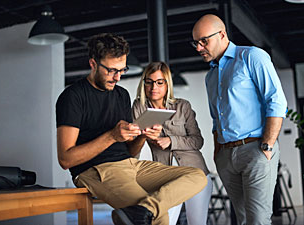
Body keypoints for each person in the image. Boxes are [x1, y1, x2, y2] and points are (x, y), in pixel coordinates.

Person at [55, 33, 207, 225]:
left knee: (197, 176)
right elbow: (66, 159)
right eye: (111, 70)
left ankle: (142, 210)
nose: (117, 77)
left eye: (122, 70)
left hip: (131, 165)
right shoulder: (72, 97)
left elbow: (129, 152)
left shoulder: (121, 95)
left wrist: (143, 136)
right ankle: (142, 212)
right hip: (95, 170)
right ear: (93, 64)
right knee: (159, 218)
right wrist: (111, 136)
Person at [191, 14, 287, 225]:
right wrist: (218, 153)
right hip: (226, 156)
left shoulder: (252, 56)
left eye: (203, 41)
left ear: (222, 34)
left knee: (258, 220)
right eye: (195, 43)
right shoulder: (211, 76)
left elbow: (276, 101)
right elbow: (216, 119)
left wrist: (268, 146)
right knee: (242, 220)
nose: (199, 48)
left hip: (256, 151)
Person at [132, 61, 213, 225]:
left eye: (159, 82)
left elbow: (198, 141)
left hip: (197, 173)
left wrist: (171, 140)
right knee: (164, 221)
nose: (154, 87)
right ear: (144, 83)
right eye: (149, 82)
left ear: (167, 83)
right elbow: (133, 148)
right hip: (166, 178)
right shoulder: (139, 107)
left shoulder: (183, 106)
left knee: (197, 223)